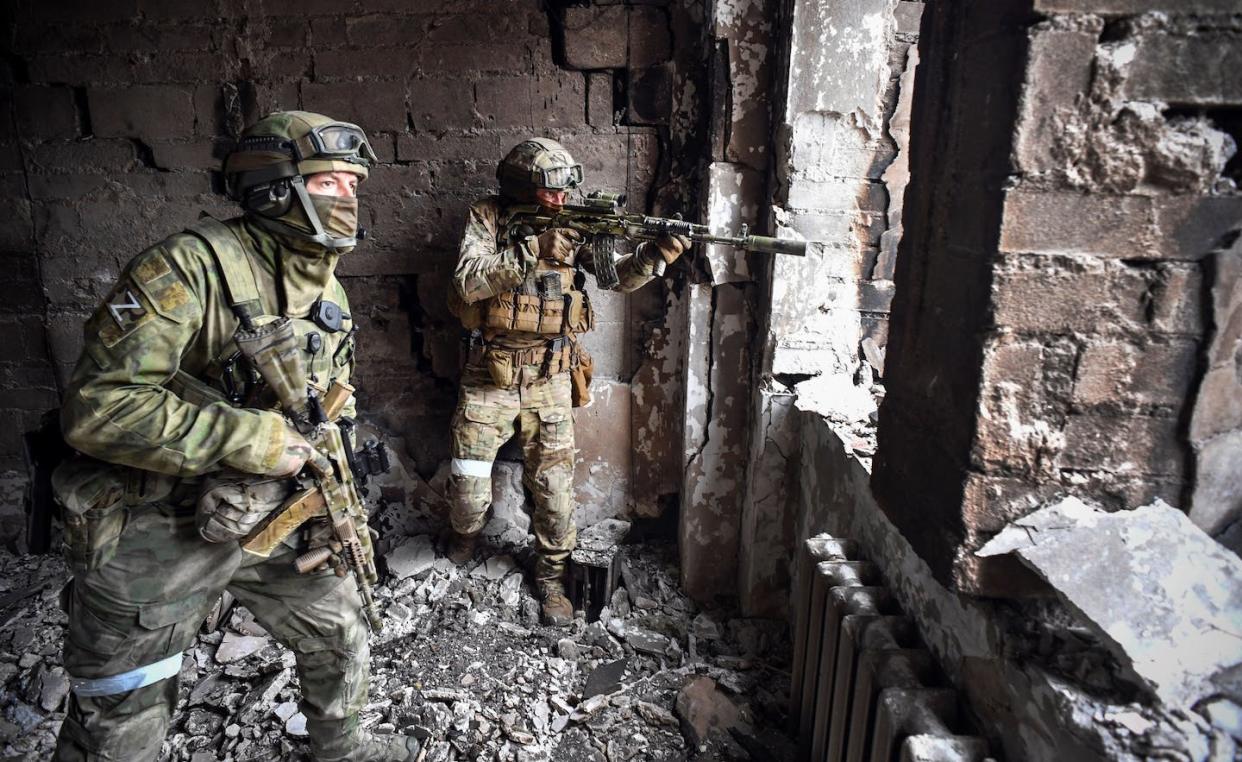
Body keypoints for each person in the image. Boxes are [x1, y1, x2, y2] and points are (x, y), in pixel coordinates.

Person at [52, 111, 420, 761]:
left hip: (272, 509)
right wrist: (250, 438)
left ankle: (341, 749)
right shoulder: (184, 271)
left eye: (354, 185)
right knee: (123, 704)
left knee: (339, 626)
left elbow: (323, 401)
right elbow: (97, 408)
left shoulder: (323, 282)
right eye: (332, 183)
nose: (350, 198)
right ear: (276, 188)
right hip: (154, 520)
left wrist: (330, 484)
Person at [444, 137, 690, 626]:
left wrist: (655, 255)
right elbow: (467, 282)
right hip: (488, 373)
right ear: (520, 189)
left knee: (555, 494)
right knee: (468, 493)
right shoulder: (489, 217)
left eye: (563, 193)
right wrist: (532, 248)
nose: (559, 202)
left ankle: (552, 579)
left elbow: (615, 278)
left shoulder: (575, 224)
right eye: (548, 193)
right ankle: (463, 538)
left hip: (551, 377)